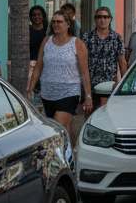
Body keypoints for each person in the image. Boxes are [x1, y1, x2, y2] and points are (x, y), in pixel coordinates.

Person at [26, 10, 92, 140]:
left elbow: (84, 72)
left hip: (69, 92)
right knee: (64, 128)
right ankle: (72, 153)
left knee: (57, 127)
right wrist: (30, 88)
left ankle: (66, 156)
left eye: (59, 22)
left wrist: (88, 96)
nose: (55, 24)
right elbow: (39, 66)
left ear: (68, 24)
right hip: (48, 93)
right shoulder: (46, 41)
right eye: (54, 22)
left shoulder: (77, 44)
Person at [82, 7, 126, 111]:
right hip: (91, 82)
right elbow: (82, 62)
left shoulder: (116, 37)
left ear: (110, 19)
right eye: (99, 17)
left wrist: (124, 82)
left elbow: (121, 60)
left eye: (105, 17)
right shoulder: (87, 37)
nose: (102, 20)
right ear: (95, 19)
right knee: (89, 114)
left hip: (110, 83)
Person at [26, 6, 49, 105]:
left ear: (43, 16)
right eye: (34, 15)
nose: (37, 17)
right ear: (30, 17)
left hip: (45, 65)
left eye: (39, 14)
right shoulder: (26, 32)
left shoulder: (48, 32)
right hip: (30, 65)